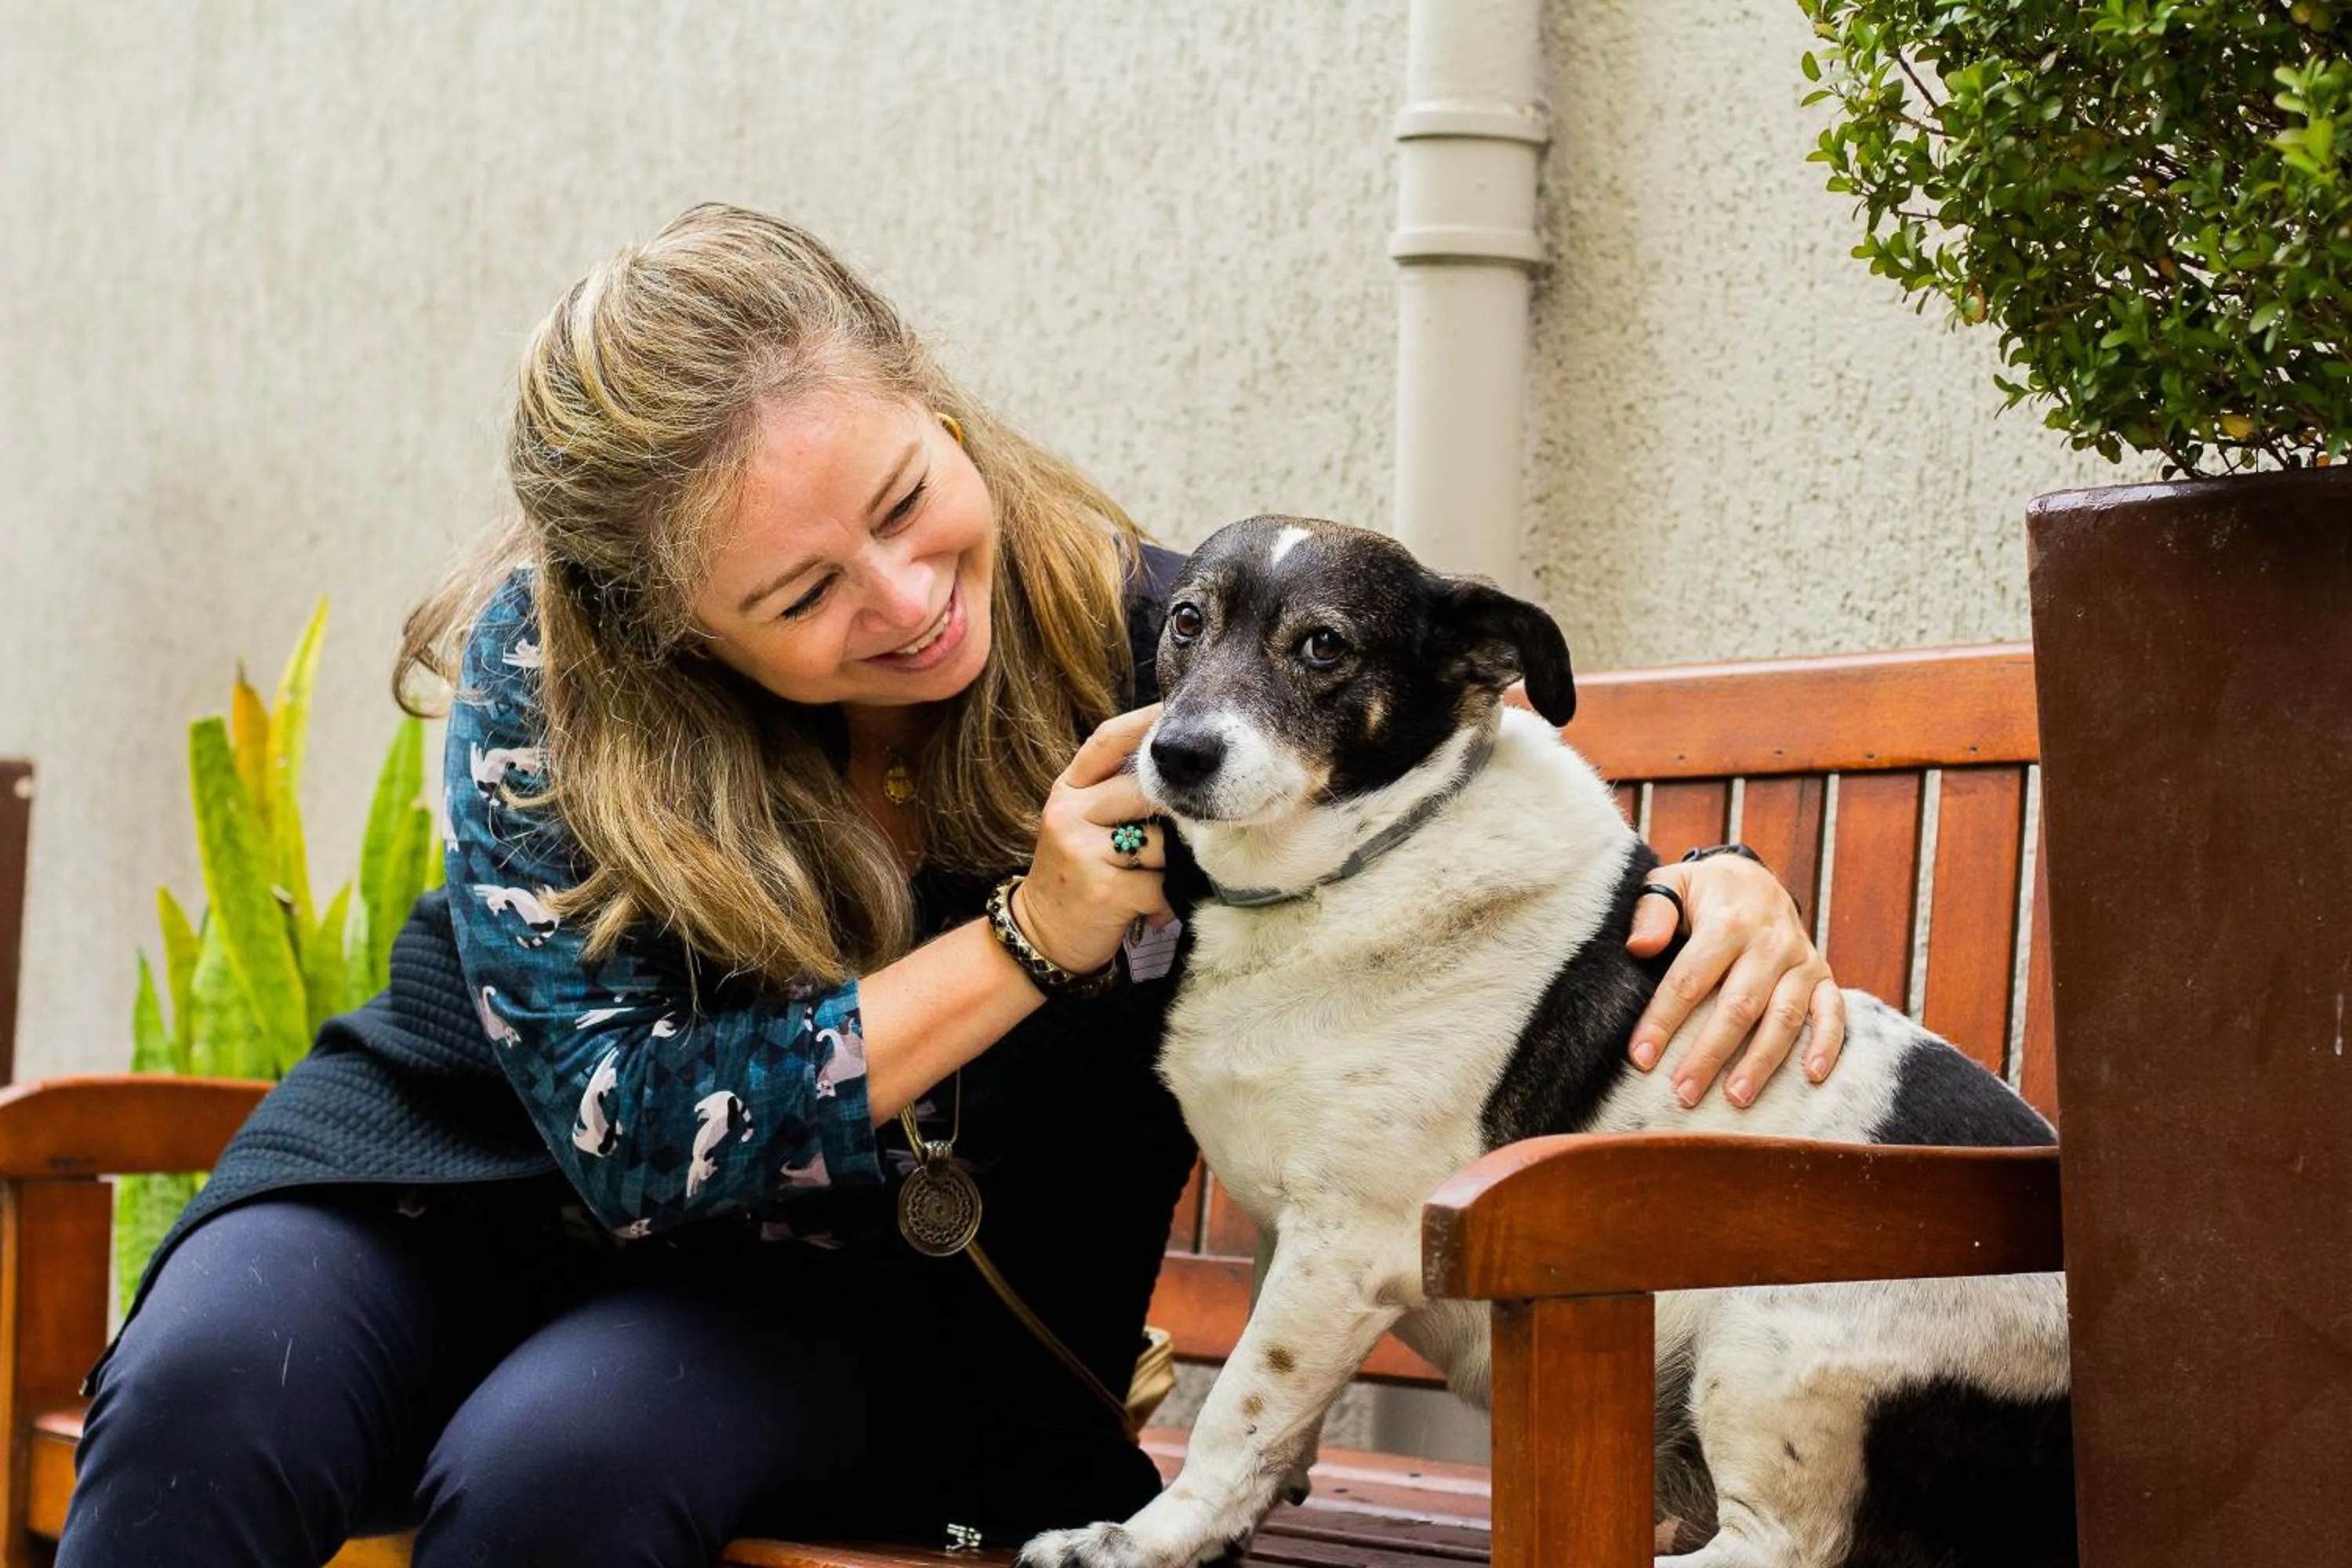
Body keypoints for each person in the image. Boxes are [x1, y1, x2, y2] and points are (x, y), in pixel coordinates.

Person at [57, 205, 1847, 1567]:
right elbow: (631, 1129)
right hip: (457, 1187)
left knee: (564, 1462)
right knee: (218, 1396)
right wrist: (1029, 937)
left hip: (865, 1305)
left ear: (931, 397)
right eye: (801, 598)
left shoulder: (1170, 656)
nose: (906, 598)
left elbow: (1439, 811)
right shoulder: (558, 672)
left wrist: (1714, 887)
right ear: (669, 623)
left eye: (912, 499)